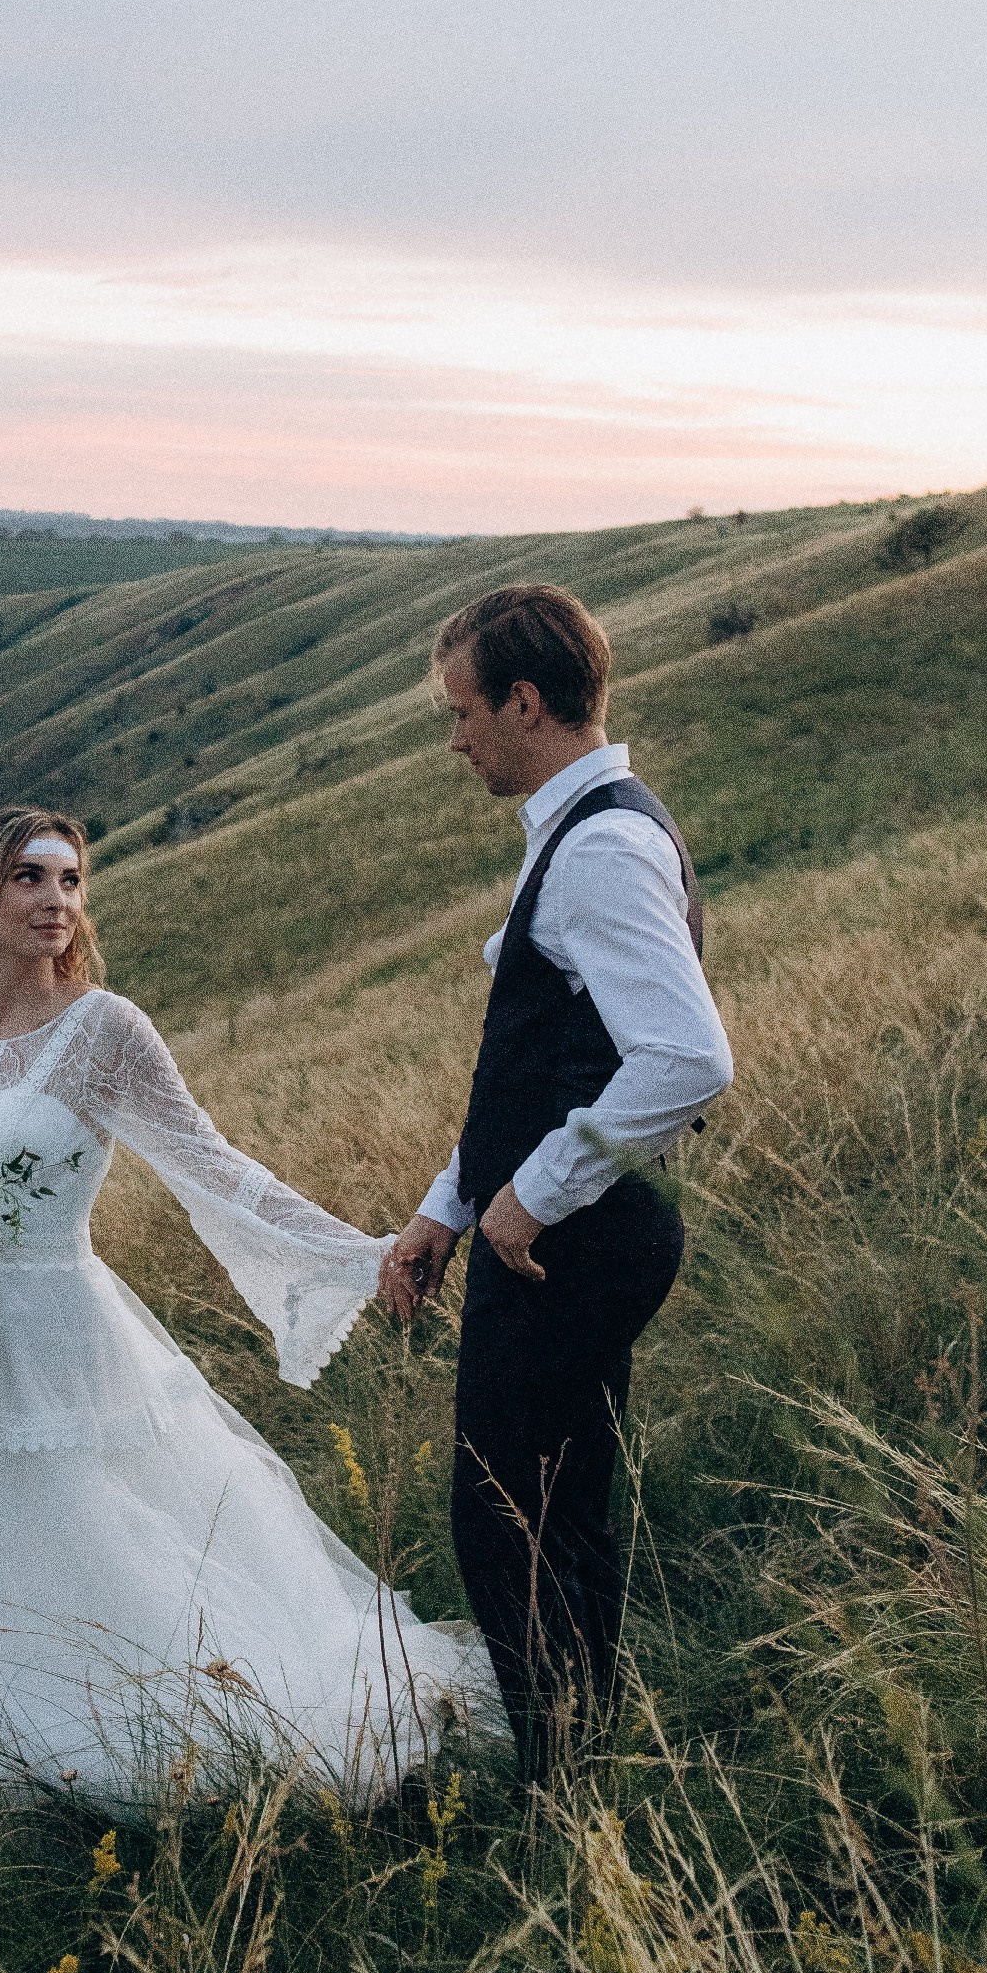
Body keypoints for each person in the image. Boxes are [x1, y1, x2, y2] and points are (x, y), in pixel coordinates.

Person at [0, 805, 498, 1837]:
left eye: (70, 881)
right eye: (28, 878)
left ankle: (136, 1765)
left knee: (91, 1550)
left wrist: (361, 1256)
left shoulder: (103, 1030)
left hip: (58, 1341)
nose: (53, 901)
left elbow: (211, 1168)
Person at [383, 585, 732, 1777]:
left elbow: (686, 1056)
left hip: (570, 1240)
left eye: (465, 709)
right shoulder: (589, 828)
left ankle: (556, 1780)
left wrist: (528, 1195)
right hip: (575, 1230)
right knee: (557, 1504)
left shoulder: (600, 847)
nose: (455, 737)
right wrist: (446, 1208)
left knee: (504, 1516)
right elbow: (541, 1066)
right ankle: (580, 1756)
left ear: (524, 702)